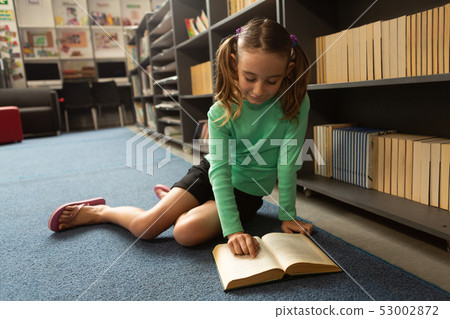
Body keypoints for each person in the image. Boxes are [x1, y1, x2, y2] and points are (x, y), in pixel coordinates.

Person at [48, 18, 313, 258]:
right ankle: (100, 212)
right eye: (250, 78)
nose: (258, 90)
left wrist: (287, 215)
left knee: (184, 233)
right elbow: (219, 170)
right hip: (211, 174)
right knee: (145, 228)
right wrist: (233, 231)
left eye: (272, 81)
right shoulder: (221, 110)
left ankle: (173, 203)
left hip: (247, 193)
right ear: (234, 63)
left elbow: (287, 164)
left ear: (288, 71)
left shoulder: (297, 104)